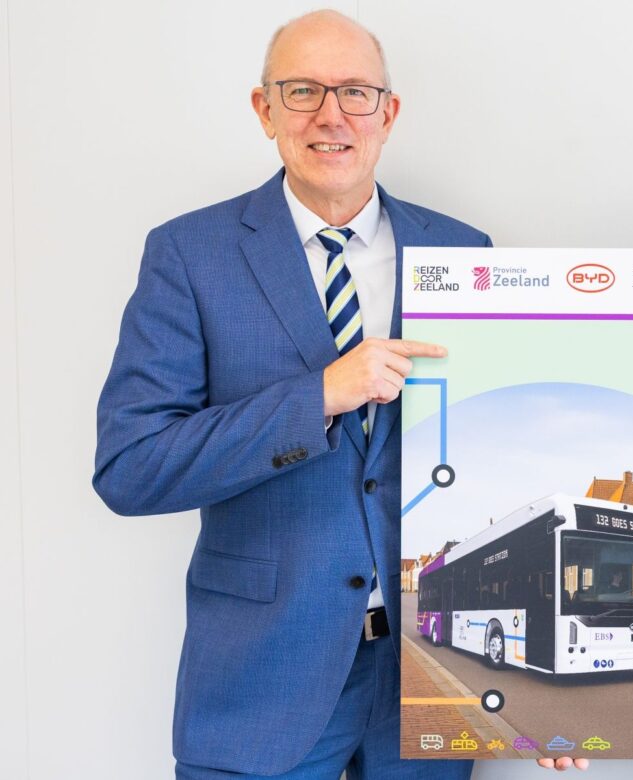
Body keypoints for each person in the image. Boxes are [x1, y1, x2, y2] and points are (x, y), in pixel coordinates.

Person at [93, 10, 490, 778]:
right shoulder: (189, 255)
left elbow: (498, 451)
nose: (331, 115)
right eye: (303, 90)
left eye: (356, 92)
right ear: (264, 108)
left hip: (434, 673)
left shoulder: (464, 252)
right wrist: (319, 397)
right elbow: (131, 467)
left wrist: (552, 699)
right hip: (263, 677)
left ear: (389, 113)